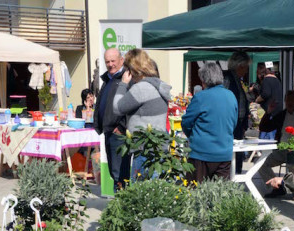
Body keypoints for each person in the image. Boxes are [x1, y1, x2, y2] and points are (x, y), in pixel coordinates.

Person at [112, 48, 171, 180]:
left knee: (141, 192)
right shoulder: (158, 84)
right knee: (156, 190)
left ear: (132, 68)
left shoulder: (141, 88)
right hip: (159, 146)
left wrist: (123, 84)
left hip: (144, 148)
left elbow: (117, 107)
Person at [181, 62, 237, 182]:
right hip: (224, 153)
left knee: (195, 194)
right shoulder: (231, 96)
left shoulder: (201, 97)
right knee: (220, 195)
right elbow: (233, 122)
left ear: (204, 80)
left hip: (201, 153)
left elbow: (186, 122)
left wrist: (193, 136)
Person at [94, 48, 128, 189]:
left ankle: (121, 204)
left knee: (120, 173)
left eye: (113, 61)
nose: (110, 64)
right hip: (108, 130)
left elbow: (129, 106)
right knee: (114, 171)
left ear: (121, 60)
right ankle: (118, 203)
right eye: (107, 61)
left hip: (118, 133)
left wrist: (121, 127)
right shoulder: (108, 79)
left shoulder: (126, 80)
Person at [257, 90, 294, 196]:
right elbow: (264, 127)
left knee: (293, 165)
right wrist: (268, 112)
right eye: (288, 101)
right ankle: (277, 187)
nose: (290, 103)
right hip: (281, 150)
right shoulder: (282, 115)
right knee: (260, 164)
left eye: (292, 100)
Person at [223, 51, 251, 174]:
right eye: (246, 67)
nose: (246, 71)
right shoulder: (227, 78)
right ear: (240, 66)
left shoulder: (236, 78)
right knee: (233, 155)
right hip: (230, 124)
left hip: (237, 124)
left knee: (237, 154)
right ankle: (234, 175)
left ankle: (236, 174)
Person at [253, 62, 283, 139]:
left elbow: (265, 94)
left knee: (265, 137)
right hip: (278, 110)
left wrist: (257, 100)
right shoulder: (276, 79)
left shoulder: (266, 80)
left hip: (271, 112)